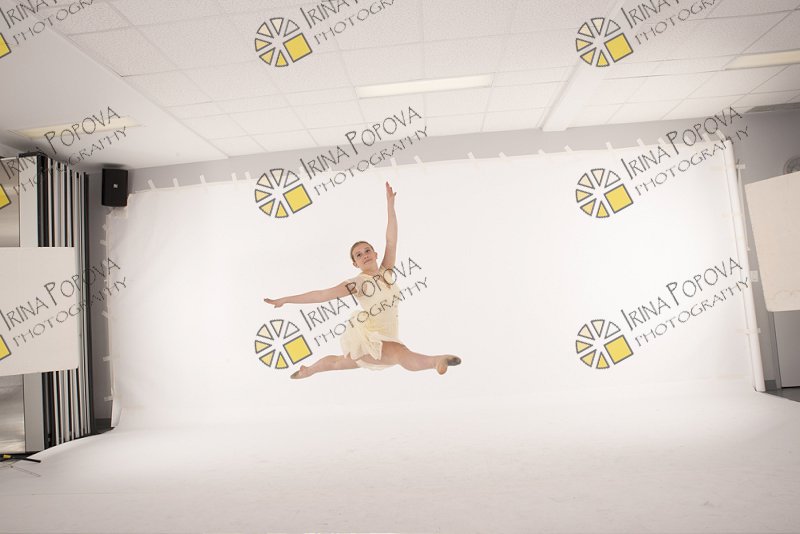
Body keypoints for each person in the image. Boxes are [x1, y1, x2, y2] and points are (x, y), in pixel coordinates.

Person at [264, 181, 461, 379]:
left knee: (338, 362)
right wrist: (286, 299)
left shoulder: (386, 272)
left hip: (386, 335)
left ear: (375, 254)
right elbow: (321, 295)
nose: (364, 255)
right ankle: (436, 361)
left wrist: (390, 206)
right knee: (401, 354)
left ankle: (308, 370)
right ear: (355, 263)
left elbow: (391, 240)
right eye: (358, 255)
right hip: (371, 338)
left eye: (367, 251)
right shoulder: (358, 283)